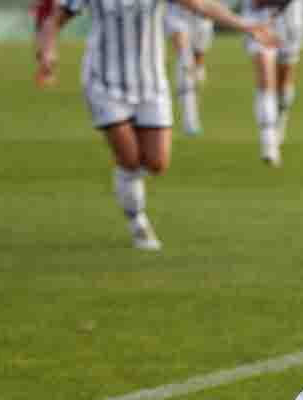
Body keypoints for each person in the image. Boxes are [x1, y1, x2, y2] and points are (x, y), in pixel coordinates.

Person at [37, 0, 274, 250]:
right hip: (104, 82)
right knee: (129, 159)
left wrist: (244, 25)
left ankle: (127, 185)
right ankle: (138, 221)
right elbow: (54, 20)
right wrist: (48, 51)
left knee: (157, 163)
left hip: (151, 83)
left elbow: (201, 6)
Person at [240, 0, 303, 166]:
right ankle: (269, 143)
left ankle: (280, 120)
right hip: (257, 15)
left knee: (284, 82)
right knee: (265, 72)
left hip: (289, 16)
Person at [165, 3, 214, 135]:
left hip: (202, 14)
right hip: (177, 11)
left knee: (198, 65)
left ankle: (193, 111)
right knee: (185, 61)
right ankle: (190, 122)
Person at [33, 0, 57, 87]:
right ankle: (45, 73)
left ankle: (48, 75)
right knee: (40, 51)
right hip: (41, 23)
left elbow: (55, 7)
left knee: (46, 50)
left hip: (47, 22)